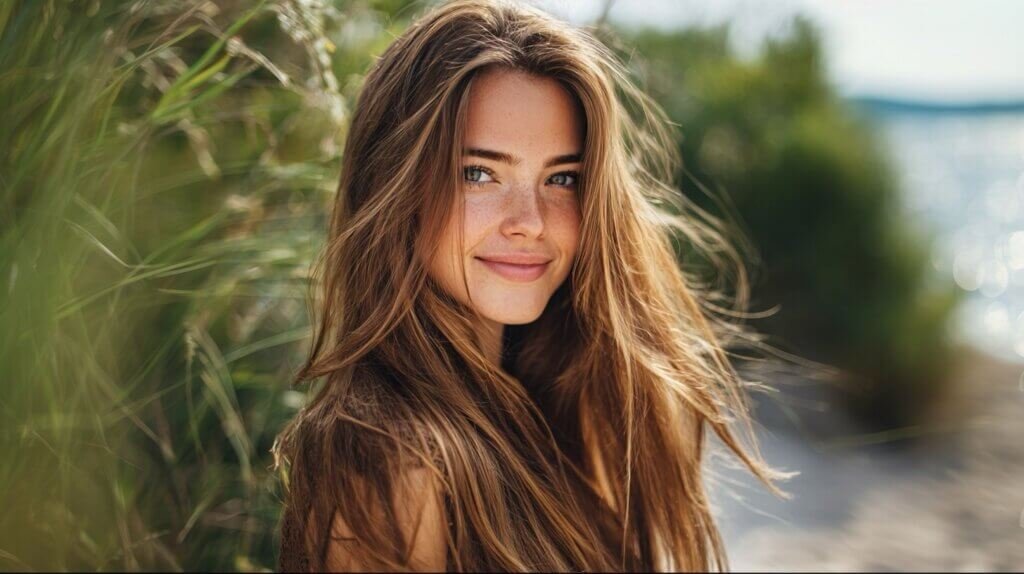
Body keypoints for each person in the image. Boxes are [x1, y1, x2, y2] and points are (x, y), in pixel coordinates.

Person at [272, 0, 790, 570]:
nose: (532, 220)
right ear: (394, 186)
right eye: (479, 173)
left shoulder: (565, 409)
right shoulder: (393, 458)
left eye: (562, 178)